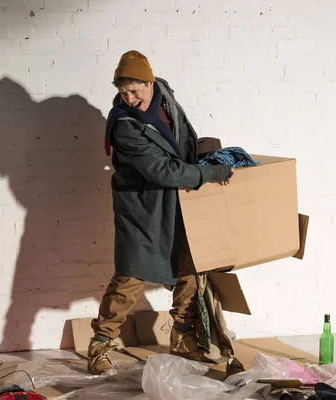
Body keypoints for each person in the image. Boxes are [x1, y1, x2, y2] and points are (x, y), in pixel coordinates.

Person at [87, 50, 234, 375]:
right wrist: (207, 174)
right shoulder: (124, 125)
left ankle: (182, 337)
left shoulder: (166, 97)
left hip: (178, 202)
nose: (129, 98)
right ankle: (100, 343)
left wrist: (208, 156)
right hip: (143, 207)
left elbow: (183, 142)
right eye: (123, 92)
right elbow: (163, 171)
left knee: (189, 269)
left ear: (150, 82)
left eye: (135, 90)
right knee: (131, 274)